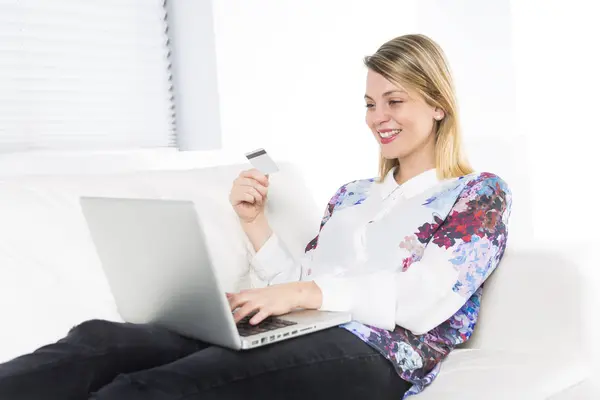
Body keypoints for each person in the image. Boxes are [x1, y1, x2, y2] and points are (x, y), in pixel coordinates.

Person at [0, 33, 511, 400]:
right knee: (101, 342)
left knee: (150, 387)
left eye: (395, 100)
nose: (379, 117)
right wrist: (255, 224)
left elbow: (424, 303)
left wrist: (301, 294)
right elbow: (303, 284)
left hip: (380, 353)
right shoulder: (353, 196)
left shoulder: (477, 194)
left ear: (438, 105)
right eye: (371, 102)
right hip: (305, 326)